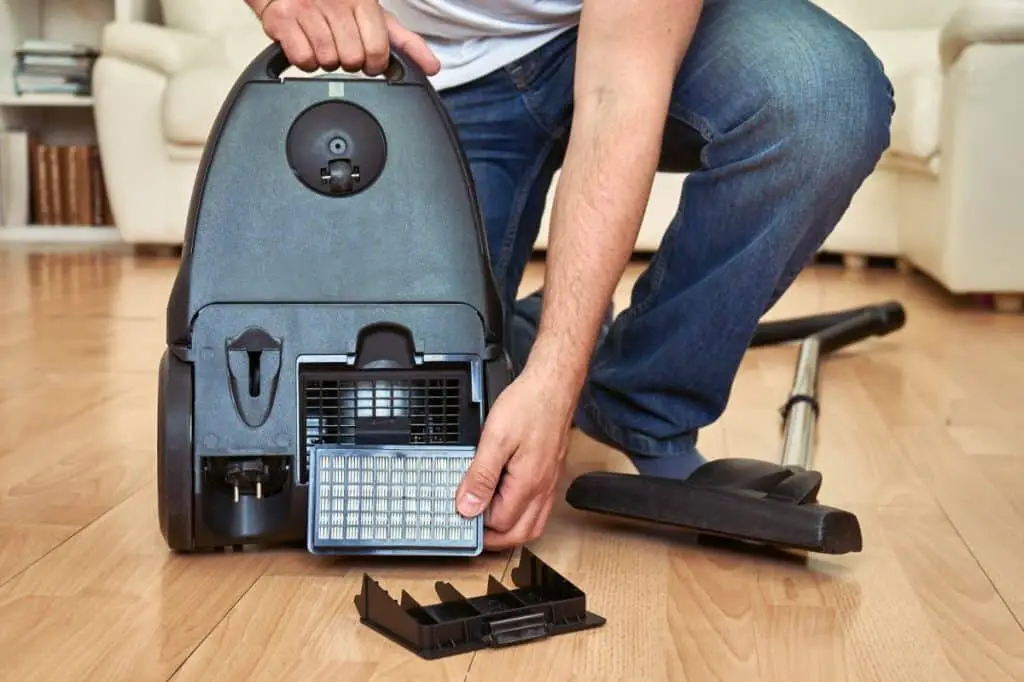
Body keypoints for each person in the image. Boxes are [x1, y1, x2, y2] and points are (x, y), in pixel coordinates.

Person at [243, 0, 893, 551]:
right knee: (403, 436)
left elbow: (620, 91)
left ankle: (641, 402)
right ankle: (523, 339)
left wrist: (556, 382)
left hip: (639, 42)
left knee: (821, 97)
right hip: (438, 63)